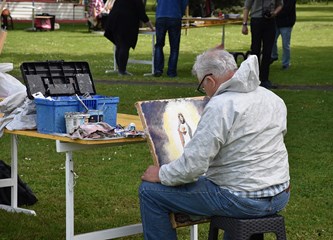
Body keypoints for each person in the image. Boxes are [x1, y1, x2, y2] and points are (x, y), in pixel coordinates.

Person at [139, 48, 290, 240]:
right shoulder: (271, 98)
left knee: (150, 192)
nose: (206, 94)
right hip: (279, 195)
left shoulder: (221, 105)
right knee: (233, 186)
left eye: (203, 86)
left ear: (209, 80)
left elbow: (193, 166)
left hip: (241, 199)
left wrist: (160, 174)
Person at [104, 0, 154, 76]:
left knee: (119, 45)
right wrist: (151, 27)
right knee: (124, 46)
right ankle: (122, 70)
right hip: (125, 23)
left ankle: (120, 68)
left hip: (114, 20)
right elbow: (142, 15)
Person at [242, 0, 283, 89]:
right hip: (256, 20)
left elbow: (280, 5)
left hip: (270, 22)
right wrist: (244, 24)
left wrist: (274, 13)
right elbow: (246, 7)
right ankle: (254, 78)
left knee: (267, 52)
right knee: (255, 50)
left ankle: (265, 79)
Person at [153, 0, 189, 78]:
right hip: (175, 16)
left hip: (161, 16)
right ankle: (171, 72)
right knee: (174, 47)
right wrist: (180, 13)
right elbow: (184, 3)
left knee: (159, 45)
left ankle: (158, 69)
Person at [271, 0, 296, 70]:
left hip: (286, 23)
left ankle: (286, 63)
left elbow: (287, 9)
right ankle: (273, 55)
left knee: (285, 44)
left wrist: (274, 13)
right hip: (276, 22)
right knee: (272, 40)